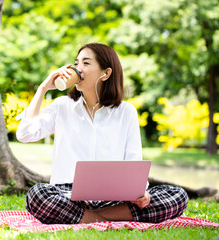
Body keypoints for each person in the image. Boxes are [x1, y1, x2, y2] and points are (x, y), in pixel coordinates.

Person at [15, 43, 188, 224]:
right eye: (76, 62)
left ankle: (87, 219)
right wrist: (43, 88)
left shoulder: (126, 111)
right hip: (68, 194)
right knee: (38, 195)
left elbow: (133, 160)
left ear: (105, 73)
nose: (77, 69)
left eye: (86, 63)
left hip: (114, 196)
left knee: (177, 195)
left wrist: (140, 192)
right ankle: (109, 218)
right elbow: (25, 134)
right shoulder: (62, 106)